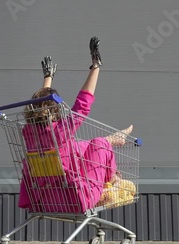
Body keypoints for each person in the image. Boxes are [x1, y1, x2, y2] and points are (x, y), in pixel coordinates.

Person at [18, 37, 134, 213]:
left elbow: (40, 107)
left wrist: (48, 77)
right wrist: (96, 67)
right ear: (54, 111)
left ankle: (114, 139)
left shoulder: (28, 133)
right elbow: (83, 104)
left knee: (72, 147)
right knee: (99, 143)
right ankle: (113, 181)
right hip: (76, 197)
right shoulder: (60, 130)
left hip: (44, 199)